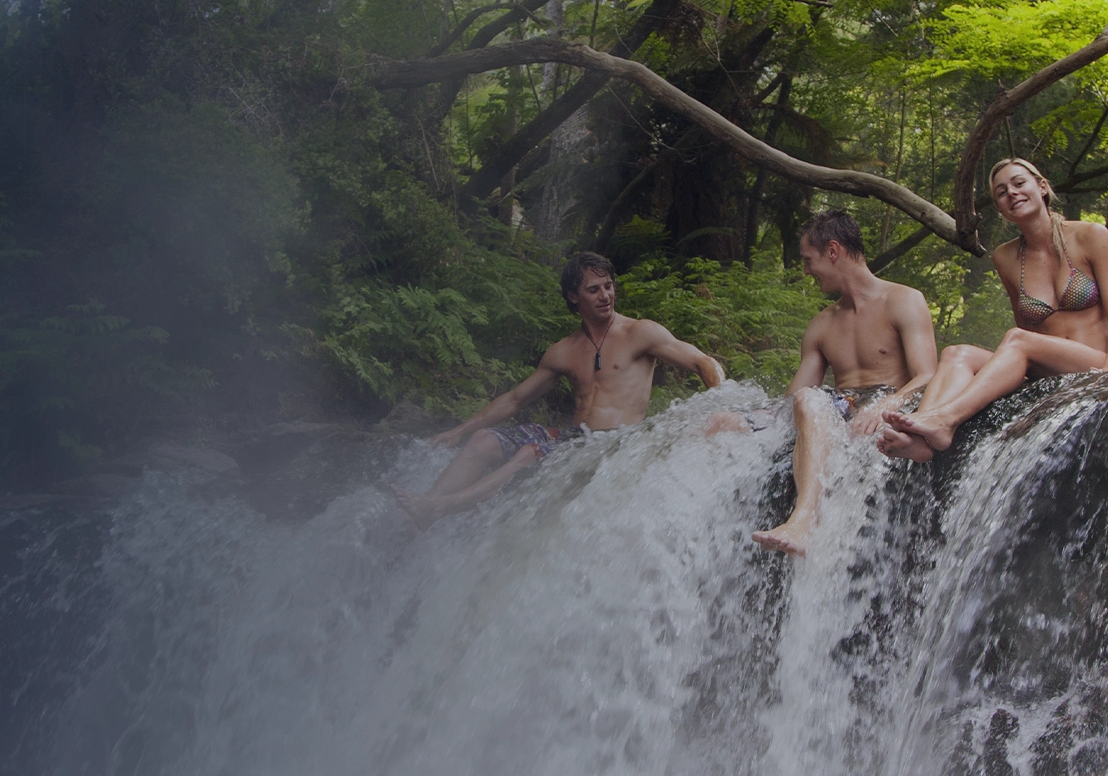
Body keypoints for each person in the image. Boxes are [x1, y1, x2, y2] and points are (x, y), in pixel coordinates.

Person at [388, 251, 725, 525]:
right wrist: (459, 430)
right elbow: (516, 399)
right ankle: (418, 515)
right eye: (593, 290)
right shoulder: (564, 351)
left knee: (525, 454)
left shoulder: (641, 333)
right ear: (572, 297)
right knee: (484, 440)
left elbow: (703, 363)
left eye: (608, 286)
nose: (605, 295)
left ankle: (440, 507)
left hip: (619, 444)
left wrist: (724, 399)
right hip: (573, 441)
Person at [879, 157, 1108, 459]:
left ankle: (945, 420)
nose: (1011, 193)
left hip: (1099, 361)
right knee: (955, 353)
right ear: (1000, 209)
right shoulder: (1006, 257)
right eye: (1001, 192)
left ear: (1042, 187)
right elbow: (1029, 328)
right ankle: (920, 438)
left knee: (1016, 339)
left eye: (1019, 183)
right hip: (1047, 371)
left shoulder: (1090, 235)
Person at [749, 210, 940, 556]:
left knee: (813, 400)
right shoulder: (821, 325)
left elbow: (928, 375)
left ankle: (804, 520)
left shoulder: (903, 301)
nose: (806, 271)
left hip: (886, 407)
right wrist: (747, 420)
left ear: (833, 251)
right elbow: (795, 396)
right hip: (838, 409)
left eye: (809, 260)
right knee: (800, 401)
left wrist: (889, 403)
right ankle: (803, 520)